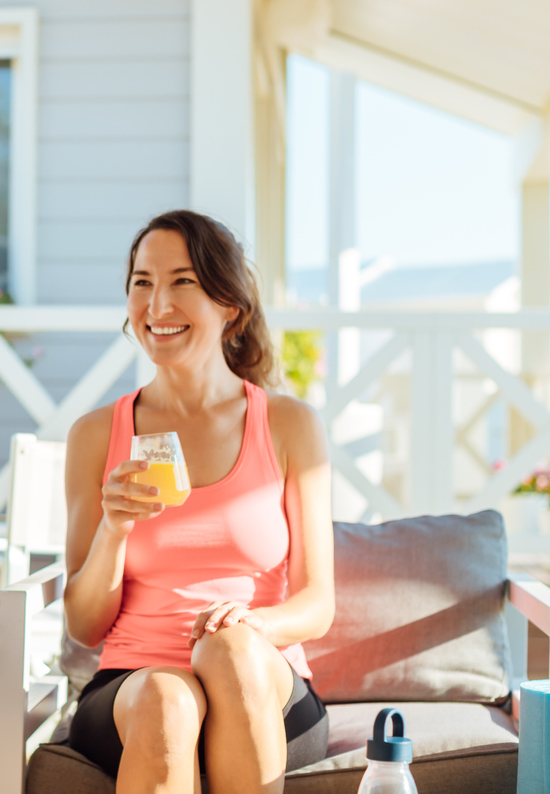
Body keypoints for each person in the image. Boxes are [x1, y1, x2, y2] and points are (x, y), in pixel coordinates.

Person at [62, 210, 334, 794]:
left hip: (264, 678)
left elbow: (317, 603)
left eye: (182, 281)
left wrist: (252, 623)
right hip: (133, 682)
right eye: (142, 283)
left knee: (229, 650)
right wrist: (113, 529)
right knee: (166, 698)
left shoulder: (289, 425)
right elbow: (85, 626)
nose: (157, 305)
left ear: (229, 305)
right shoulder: (96, 435)